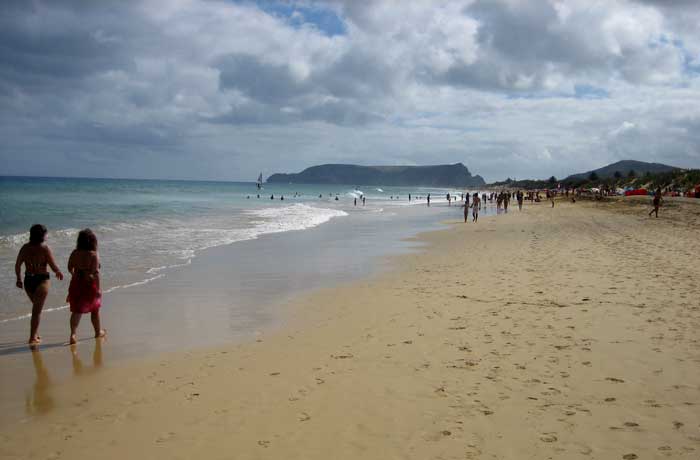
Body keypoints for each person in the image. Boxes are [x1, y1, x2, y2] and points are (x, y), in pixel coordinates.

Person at [15, 224, 64, 346]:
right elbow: (52, 265)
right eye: (45, 234)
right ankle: (32, 337)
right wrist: (58, 271)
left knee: (36, 309)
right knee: (36, 311)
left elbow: (17, 265)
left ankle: (35, 334)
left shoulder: (24, 248)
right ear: (42, 236)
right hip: (42, 280)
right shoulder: (45, 248)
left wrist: (18, 279)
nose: (47, 236)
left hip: (28, 281)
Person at [67, 229, 105, 345]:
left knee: (76, 311)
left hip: (76, 283)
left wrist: (75, 274)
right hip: (89, 284)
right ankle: (98, 332)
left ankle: (73, 334)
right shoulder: (94, 255)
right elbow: (96, 273)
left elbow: (69, 267)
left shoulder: (74, 253)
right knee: (95, 310)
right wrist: (98, 289)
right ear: (93, 241)